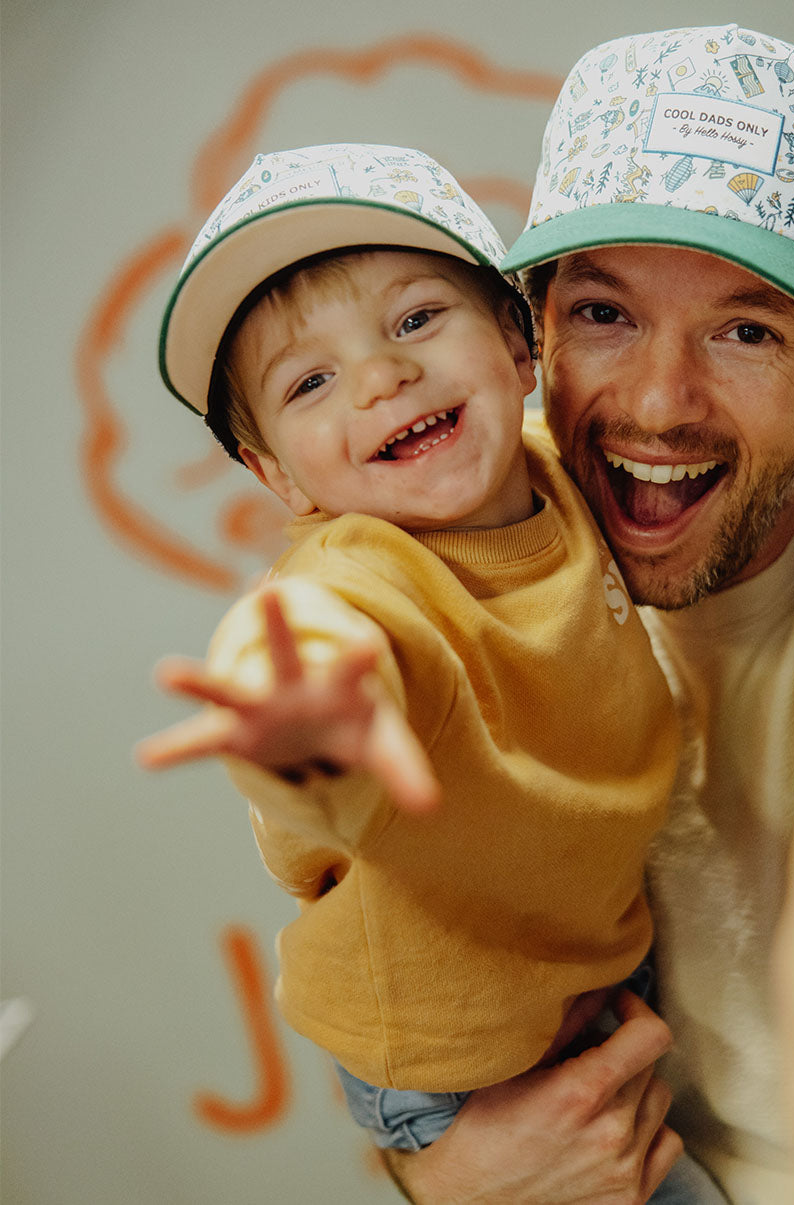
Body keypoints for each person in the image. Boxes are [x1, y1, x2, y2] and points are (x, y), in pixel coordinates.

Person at [381, 25, 794, 1205]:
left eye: (746, 331)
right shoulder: (465, 566)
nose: (659, 404)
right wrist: (440, 1169)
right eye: (605, 315)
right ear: (531, 331)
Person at [137, 141, 726, 1203]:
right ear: (276, 472)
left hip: (584, 969)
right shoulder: (363, 575)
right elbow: (308, 634)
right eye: (309, 380)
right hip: (455, 1051)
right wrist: (302, 724)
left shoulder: (554, 468)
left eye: (414, 319)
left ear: (516, 339)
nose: (380, 375)